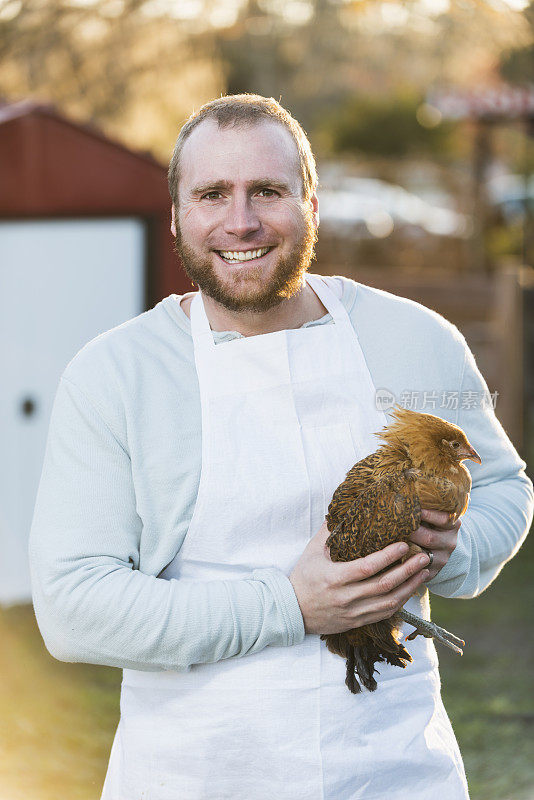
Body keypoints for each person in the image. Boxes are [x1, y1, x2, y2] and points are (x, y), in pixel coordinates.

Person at [29, 94, 533, 800]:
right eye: (213, 194)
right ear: (176, 215)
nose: (241, 221)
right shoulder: (116, 375)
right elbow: (74, 604)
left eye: (268, 190)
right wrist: (292, 605)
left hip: (393, 772)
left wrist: (458, 547)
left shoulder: (414, 341)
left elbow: (507, 486)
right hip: (191, 777)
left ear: (312, 207)